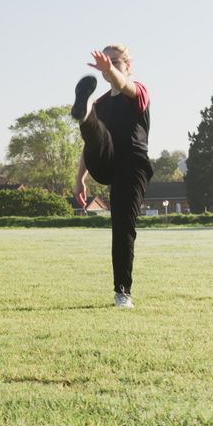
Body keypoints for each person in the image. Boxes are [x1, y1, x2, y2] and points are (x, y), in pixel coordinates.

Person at [71, 44, 152, 309]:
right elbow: (91, 146)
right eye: (107, 62)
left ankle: (122, 292)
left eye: (116, 62)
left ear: (128, 66)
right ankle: (84, 115)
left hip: (132, 165)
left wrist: (110, 70)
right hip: (104, 160)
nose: (111, 66)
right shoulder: (102, 103)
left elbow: (124, 85)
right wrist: (79, 178)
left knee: (122, 227)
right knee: (95, 128)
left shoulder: (138, 91)